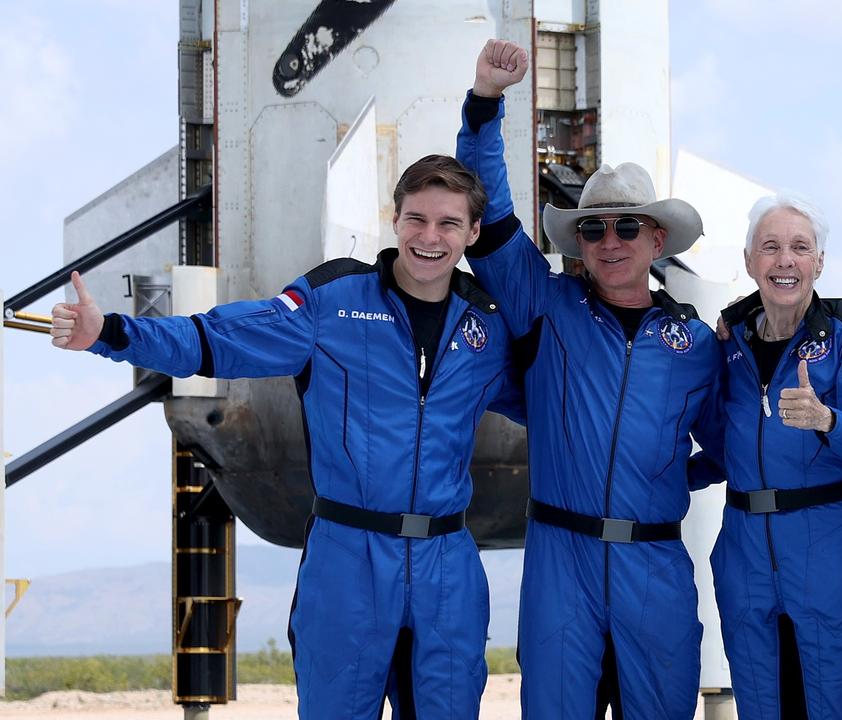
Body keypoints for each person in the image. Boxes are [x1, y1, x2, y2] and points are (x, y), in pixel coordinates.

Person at [50, 155, 521, 719]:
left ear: (471, 233)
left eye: (448, 224)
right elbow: (219, 339)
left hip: (447, 568)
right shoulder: (332, 301)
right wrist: (112, 333)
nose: (429, 237)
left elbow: (563, 410)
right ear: (394, 220)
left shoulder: (488, 327)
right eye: (416, 219)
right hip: (348, 560)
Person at [455, 39, 725, 719]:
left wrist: (664, 478)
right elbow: (487, 222)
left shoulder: (695, 345)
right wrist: (484, 103)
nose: (610, 240)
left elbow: (729, 445)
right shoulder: (545, 305)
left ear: (657, 240)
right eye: (595, 228)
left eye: (627, 227)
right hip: (560, 566)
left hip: (655, 568)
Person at [703, 193, 842, 718]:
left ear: (819, 263)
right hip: (744, 554)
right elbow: (723, 451)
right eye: (770, 247)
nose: (785, 260)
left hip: (831, 549)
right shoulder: (726, 340)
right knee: (762, 706)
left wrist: (826, 420)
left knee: (835, 705)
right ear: (749, 263)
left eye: (799, 247)